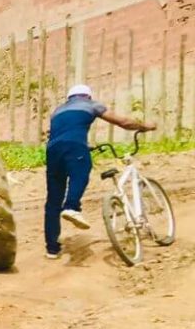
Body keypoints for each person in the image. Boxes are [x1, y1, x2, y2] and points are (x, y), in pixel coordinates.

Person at [43, 84, 152, 260]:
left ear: (69, 98)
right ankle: (71, 206)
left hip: (52, 151)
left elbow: (63, 133)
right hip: (74, 146)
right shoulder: (91, 104)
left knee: (53, 200)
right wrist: (145, 126)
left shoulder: (58, 111)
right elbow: (124, 122)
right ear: (87, 96)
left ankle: (52, 248)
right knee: (81, 171)